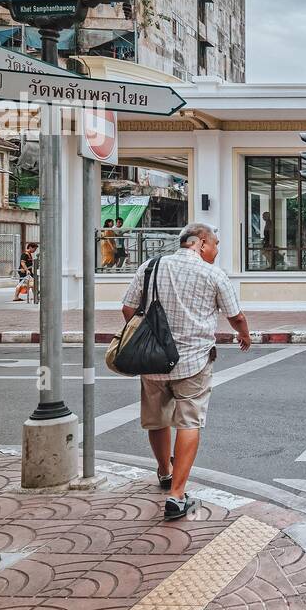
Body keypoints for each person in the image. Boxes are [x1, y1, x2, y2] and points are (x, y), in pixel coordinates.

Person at [121, 223, 250, 520]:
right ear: (201, 243)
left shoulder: (150, 266)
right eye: (215, 244)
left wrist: (149, 336)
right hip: (193, 361)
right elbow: (236, 316)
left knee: (157, 420)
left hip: (152, 360)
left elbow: (128, 309)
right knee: (189, 422)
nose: (216, 252)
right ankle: (177, 496)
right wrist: (244, 334)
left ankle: (165, 472)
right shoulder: (213, 274)